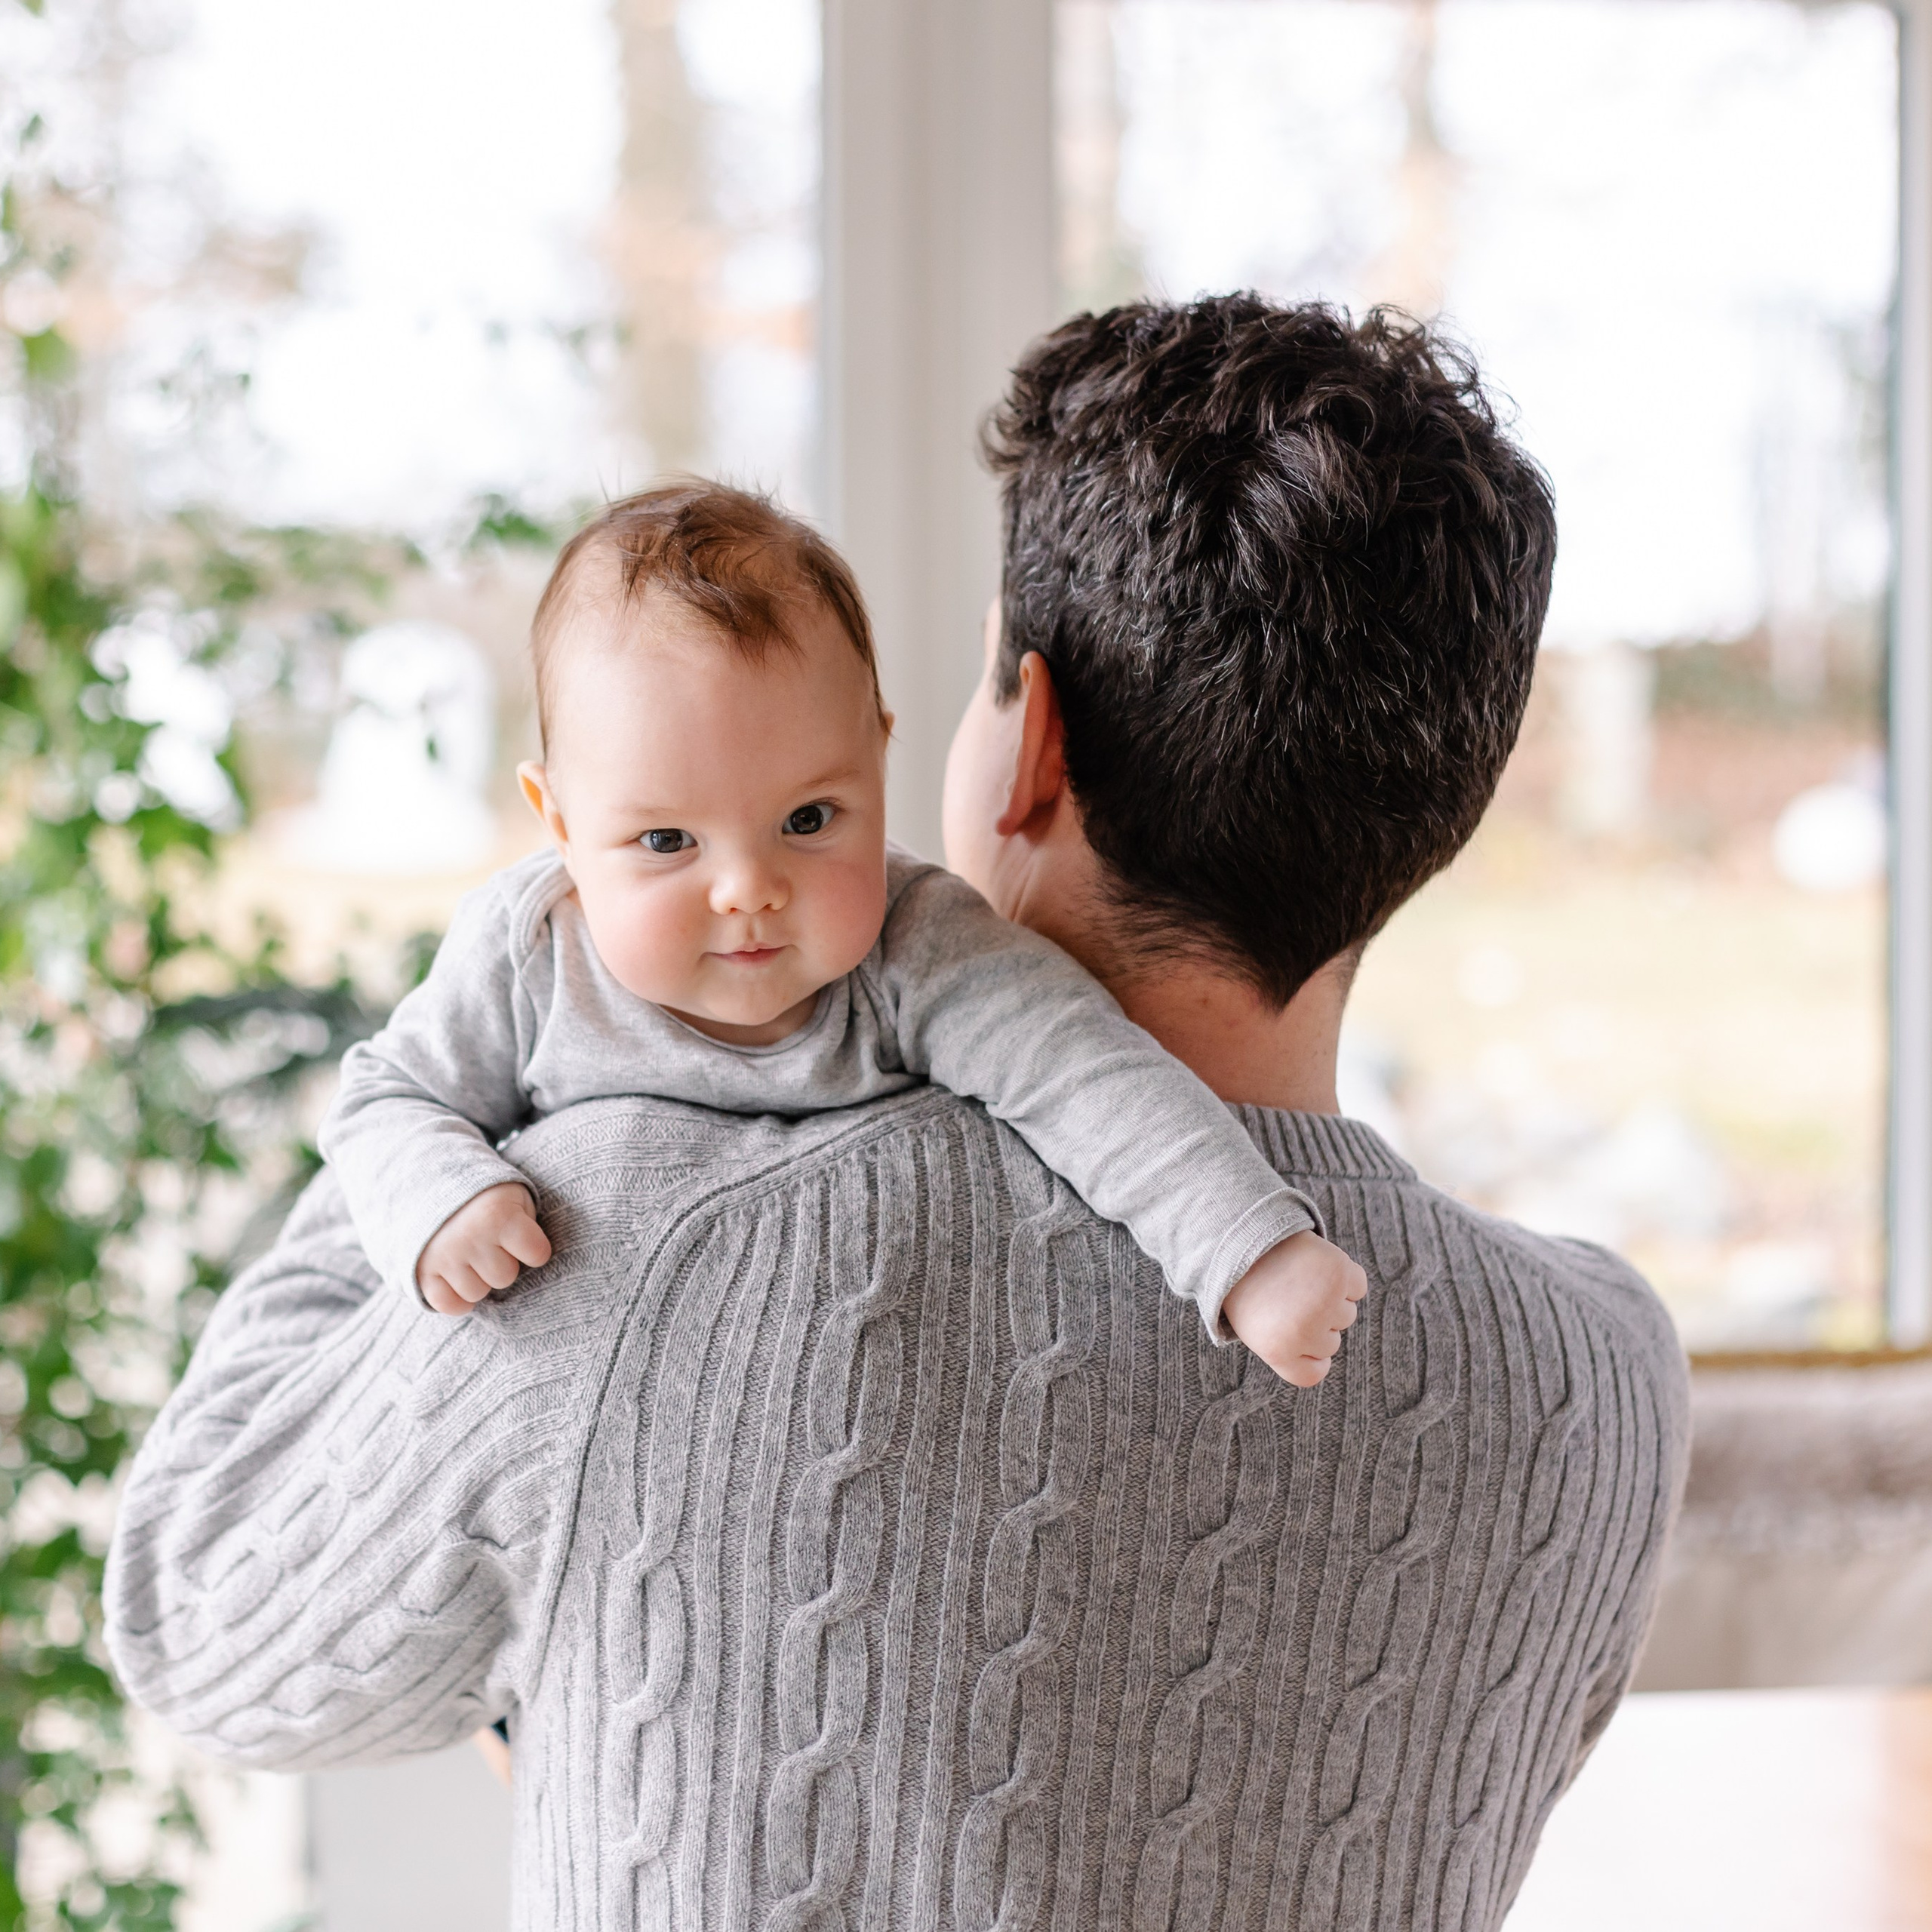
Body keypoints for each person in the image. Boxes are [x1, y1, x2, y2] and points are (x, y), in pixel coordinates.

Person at [105, 296, 1690, 1932]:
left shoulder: (619, 1235)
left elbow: (191, 1619)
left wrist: (464, 1055)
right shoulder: (1594, 1379)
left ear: (1029, 744)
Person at [319, 483, 1362, 1381]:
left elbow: (1084, 1074)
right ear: (559, 825)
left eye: (809, 821)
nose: (748, 890)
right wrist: (440, 1195)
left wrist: (1248, 1250)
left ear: (878, 759)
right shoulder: (532, 954)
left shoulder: (920, 947)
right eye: (668, 839)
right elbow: (387, 1095)